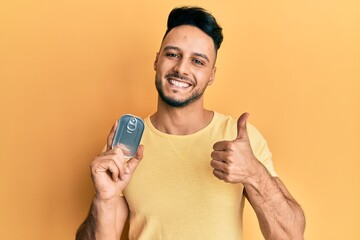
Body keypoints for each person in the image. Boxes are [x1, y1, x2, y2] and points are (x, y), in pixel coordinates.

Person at [76, 6, 305, 240]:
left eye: (197, 61)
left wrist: (254, 174)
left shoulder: (239, 140)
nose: (181, 68)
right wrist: (104, 199)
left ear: (211, 75)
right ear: (157, 60)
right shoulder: (124, 146)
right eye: (173, 54)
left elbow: (291, 236)